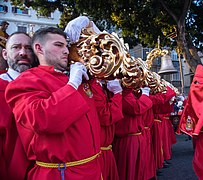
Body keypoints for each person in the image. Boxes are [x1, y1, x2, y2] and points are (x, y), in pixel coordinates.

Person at [5, 27, 102, 180]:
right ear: (39, 48)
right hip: (60, 173)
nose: (66, 51)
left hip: (92, 168)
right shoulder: (26, 81)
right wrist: (72, 85)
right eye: (58, 45)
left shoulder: (73, 77)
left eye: (66, 46)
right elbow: (42, 119)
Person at [0, 32, 36, 180]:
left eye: (28, 48)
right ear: (5, 54)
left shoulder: (43, 85)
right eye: (16, 47)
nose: (23, 53)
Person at [113, 86, 152, 180]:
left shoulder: (128, 93)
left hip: (135, 137)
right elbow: (136, 108)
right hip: (128, 140)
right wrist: (145, 94)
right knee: (132, 171)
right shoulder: (124, 94)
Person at [90, 78, 123, 180]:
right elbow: (106, 116)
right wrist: (118, 93)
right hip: (100, 150)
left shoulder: (101, 85)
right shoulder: (93, 86)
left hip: (106, 148)